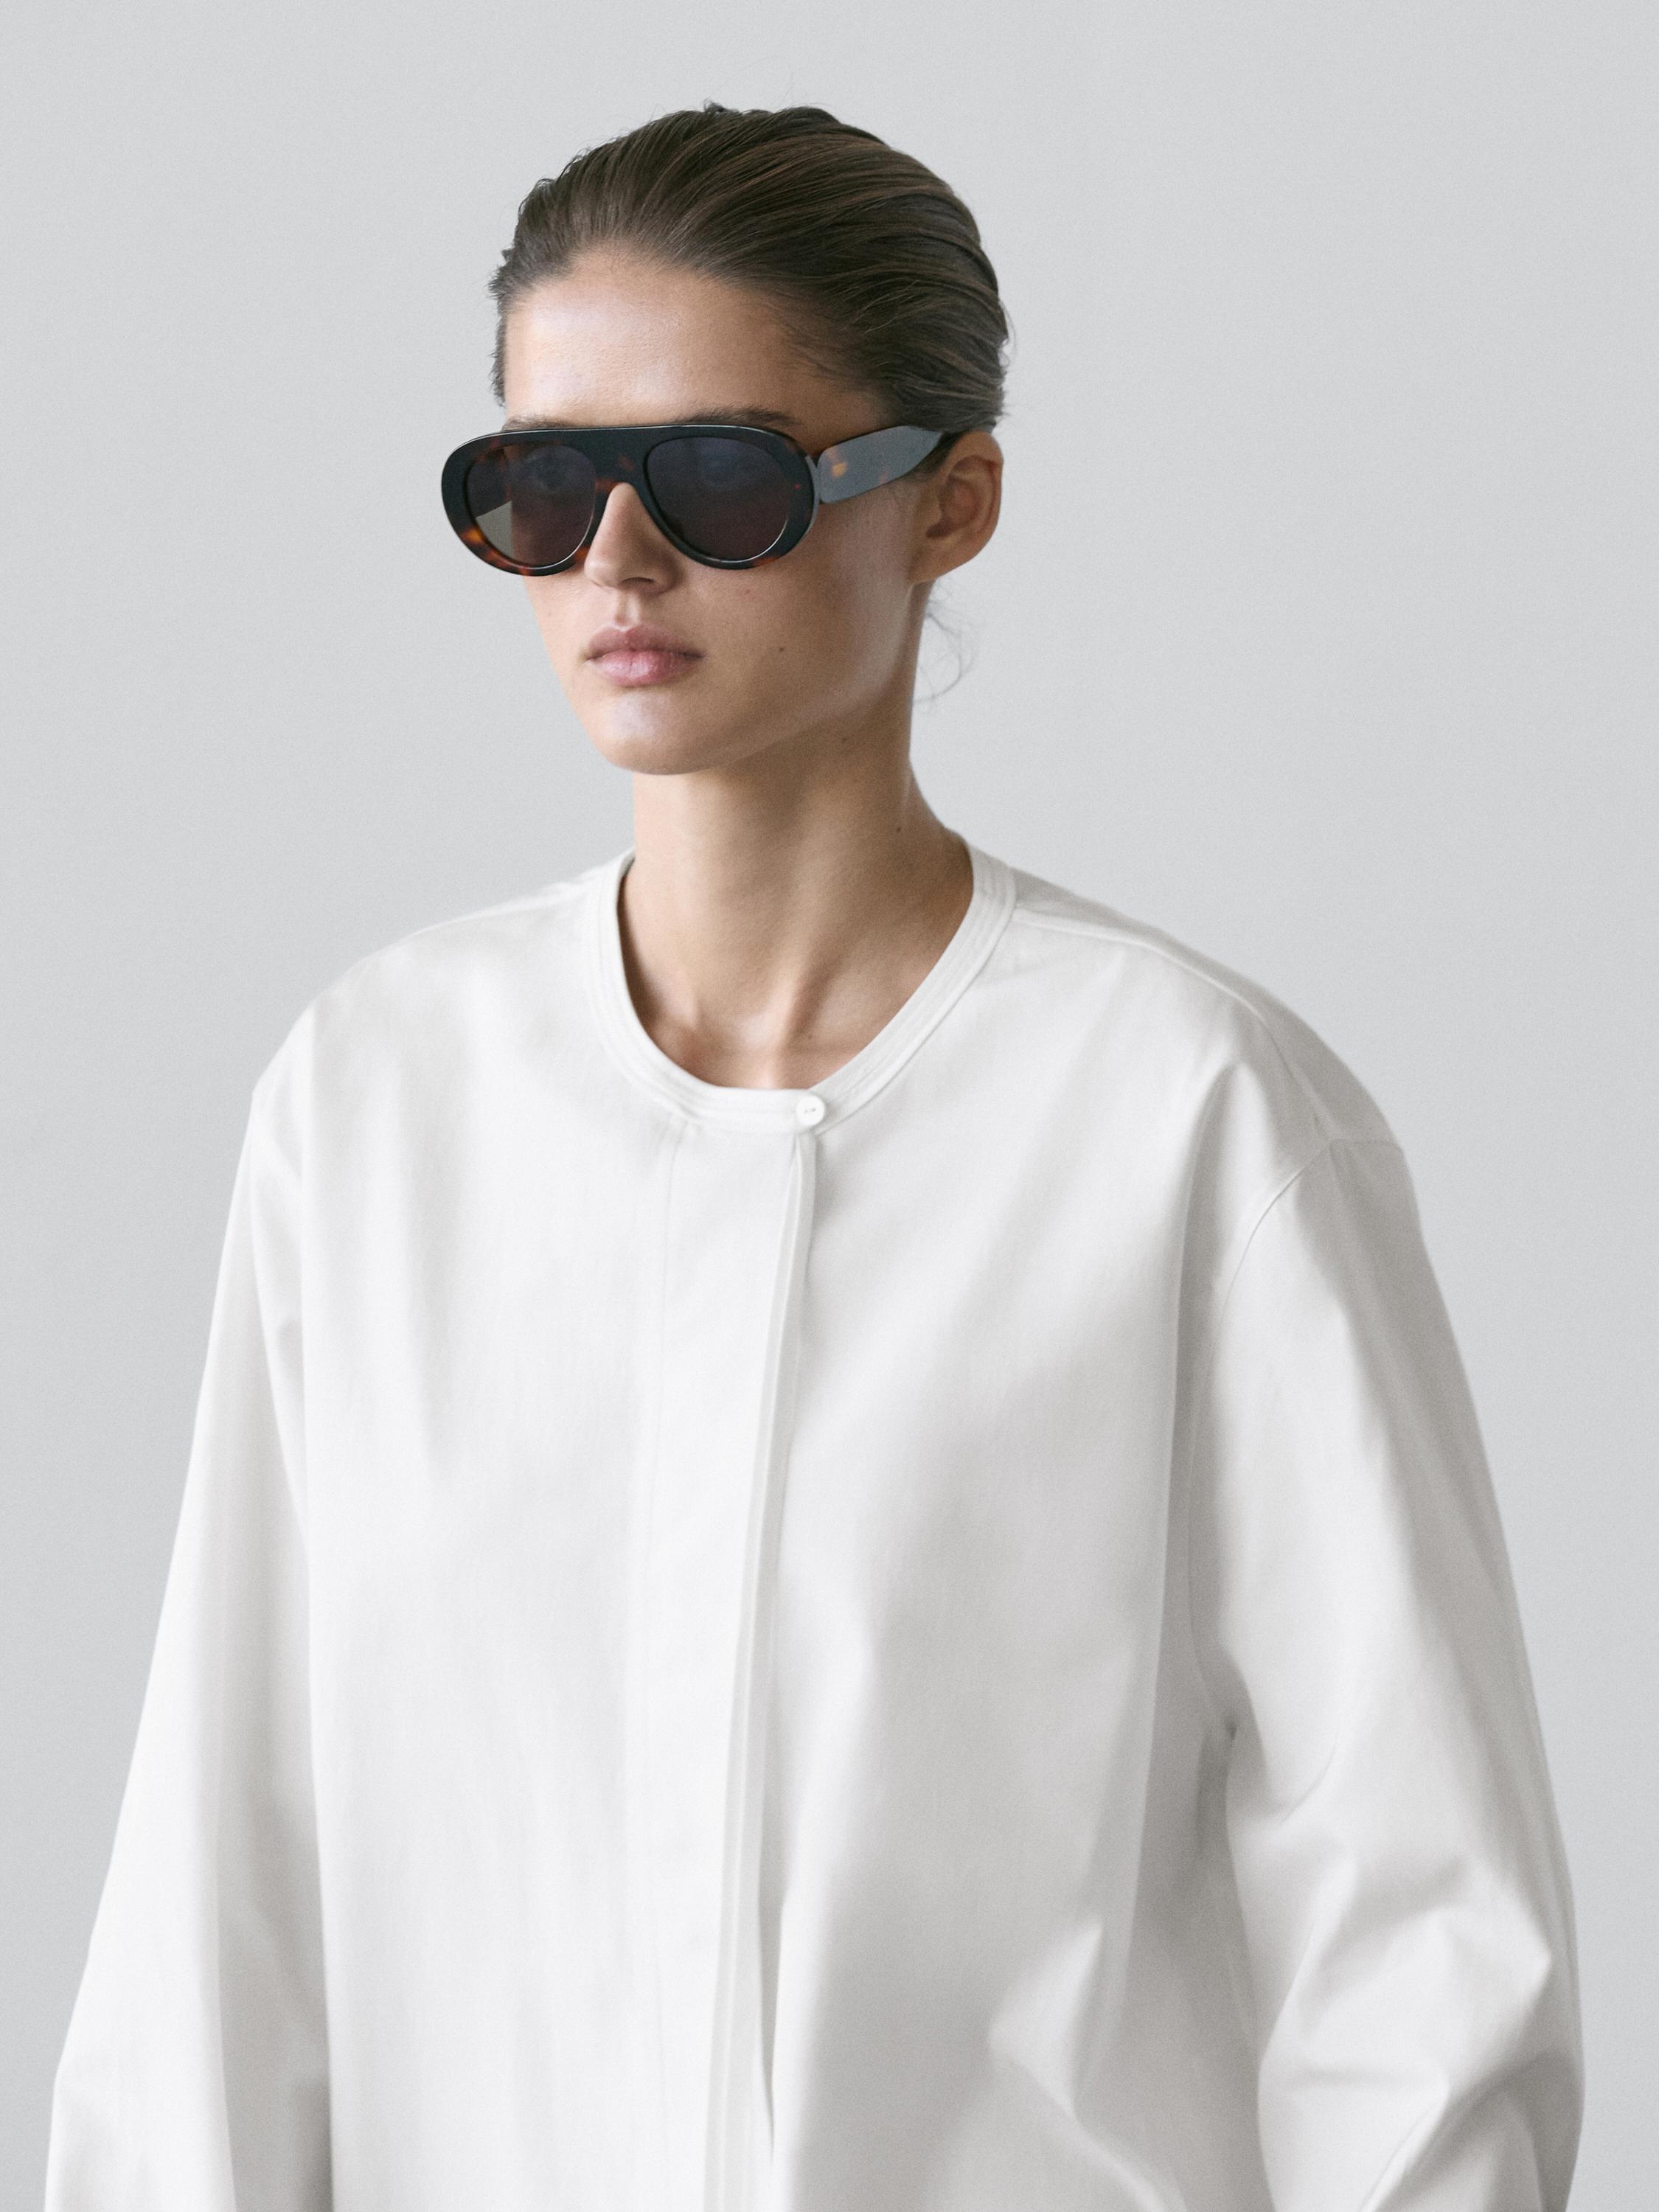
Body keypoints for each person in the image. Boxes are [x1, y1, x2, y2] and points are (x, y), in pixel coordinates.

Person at [45, 102, 1582, 2212]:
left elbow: (1415, 1942)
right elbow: (226, 1889)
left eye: (718, 478)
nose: (615, 561)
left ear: (951, 502)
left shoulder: (1191, 1120)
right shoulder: (378, 1102)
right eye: (541, 485)